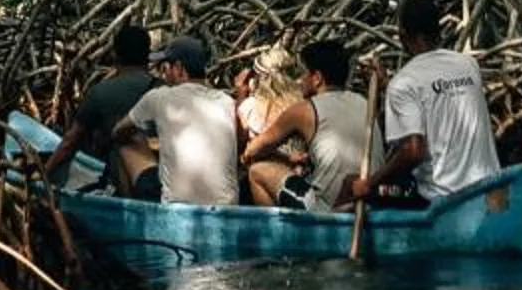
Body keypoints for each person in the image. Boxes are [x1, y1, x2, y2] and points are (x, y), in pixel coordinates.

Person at [346, 0, 499, 207]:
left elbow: (413, 151)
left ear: (403, 35)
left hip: (441, 198)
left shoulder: (404, 83)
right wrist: (386, 86)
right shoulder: (469, 65)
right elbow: (434, 94)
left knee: (350, 185)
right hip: (488, 189)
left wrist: (370, 183)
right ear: (438, 30)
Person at [118, 34, 241, 205]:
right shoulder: (226, 102)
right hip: (226, 208)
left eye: (165, 68)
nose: (163, 75)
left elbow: (118, 130)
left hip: (177, 209)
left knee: (125, 144)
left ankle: (128, 215)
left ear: (178, 68)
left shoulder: (158, 97)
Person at [43, 23, 156, 194]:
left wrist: (44, 173)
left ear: (115, 55)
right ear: (148, 55)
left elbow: (70, 142)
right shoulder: (165, 90)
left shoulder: (100, 93)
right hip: (170, 179)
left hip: (126, 185)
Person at [297, 37, 372, 210]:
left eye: (303, 73)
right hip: (368, 201)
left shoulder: (306, 109)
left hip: (330, 207)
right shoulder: (364, 101)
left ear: (317, 78)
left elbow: (257, 148)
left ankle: (285, 234)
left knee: (260, 170)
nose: (300, 80)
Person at [236, 44, 316, 206]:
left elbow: (245, 149)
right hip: (302, 183)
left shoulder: (250, 106)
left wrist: (240, 95)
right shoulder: (305, 106)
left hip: (266, 186)